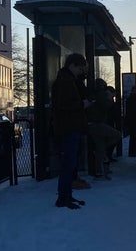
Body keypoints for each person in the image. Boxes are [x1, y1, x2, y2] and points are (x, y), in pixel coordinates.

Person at [51, 53, 90, 209]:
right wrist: (82, 105)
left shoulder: (67, 80)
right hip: (69, 127)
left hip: (68, 127)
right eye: (80, 68)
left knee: (69, 163)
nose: (81, 72)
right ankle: (63, 197)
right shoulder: (65, 82)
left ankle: (66, 195)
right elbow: (64, 105)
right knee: (68, 163)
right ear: (73, 65)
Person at [86, 78, 121, 180]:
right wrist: (110, 99)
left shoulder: (92, 94)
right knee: (117, 135)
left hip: (91, 124)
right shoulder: (101, 94)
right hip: (98, 123)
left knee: (100, 147)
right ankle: (100, 169)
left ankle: (99, 172)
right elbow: (106, 106)